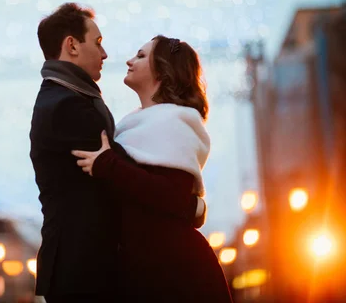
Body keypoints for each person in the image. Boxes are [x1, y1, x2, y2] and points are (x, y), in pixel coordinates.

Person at [29, 4, 205, 303]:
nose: (106, 54)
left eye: (140, 55)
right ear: (71, 45)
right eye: (97, 43)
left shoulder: (72, 98)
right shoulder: (67, 105)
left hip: (100, 267)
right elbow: (119, 173)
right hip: (84, 268)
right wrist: (190, 206)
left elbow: (121, 169)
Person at [72, 36, 233, 302]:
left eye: (140, 55)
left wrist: (108, 165)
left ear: (162, 68)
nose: (129, 60)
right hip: (148, 271)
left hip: (177, 273)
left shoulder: (175, 123)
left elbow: (170, 196)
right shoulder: (133, 126)